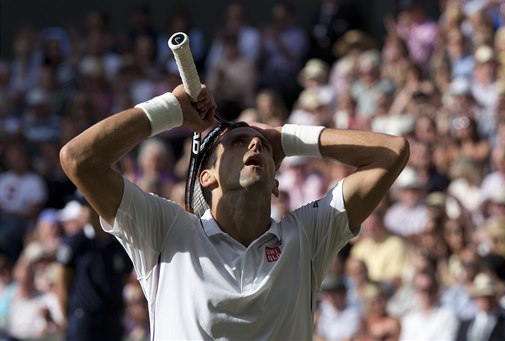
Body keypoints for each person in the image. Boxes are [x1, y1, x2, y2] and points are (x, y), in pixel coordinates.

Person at [58, 79, 409, 339]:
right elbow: (78, 159)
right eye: (238, 141)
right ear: (206, 177)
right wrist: (170, 110)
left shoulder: (307, 235)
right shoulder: (164, 230)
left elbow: (392, 152)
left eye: (264, 147)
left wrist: (285, 137)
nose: (255, 142)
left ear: (275, 183)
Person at [54, 197, 133, 341]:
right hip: (83, 320)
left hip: (111, 319)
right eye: (82, 208)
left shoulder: (118, 244)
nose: (83, 213)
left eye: (87, 207)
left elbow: (125, 277)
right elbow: (62, 283)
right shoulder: (75, 243)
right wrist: (67, 318)